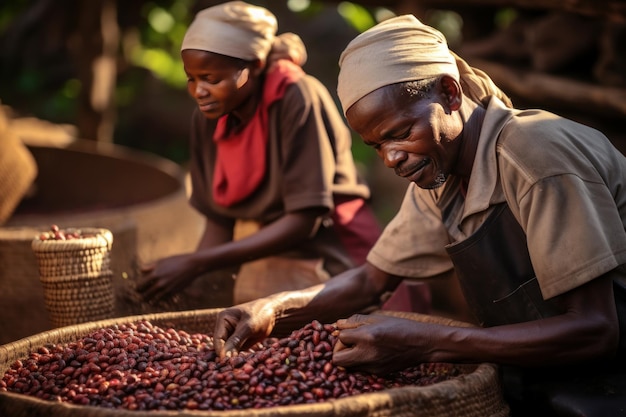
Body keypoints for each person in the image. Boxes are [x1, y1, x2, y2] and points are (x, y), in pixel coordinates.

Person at [212, 14, 626, 416]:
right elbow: (371, 280)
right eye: (376, 146)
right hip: (552, 373)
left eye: (401, 133)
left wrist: (430, 342)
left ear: (449, 93)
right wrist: (273, 310)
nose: (392, 157)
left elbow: (596, 330)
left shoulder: (535, 155)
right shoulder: (441, 173)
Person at [136, 2, 384, 308]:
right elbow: (219, 220)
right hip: (269, 255)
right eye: (192, 79)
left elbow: (304, 220)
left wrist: (197, 263)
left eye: (212, 79)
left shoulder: (296, 97)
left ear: (253, 67)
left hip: (335, 253)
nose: (199, 91)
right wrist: (191, 283)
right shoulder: (207, 119)